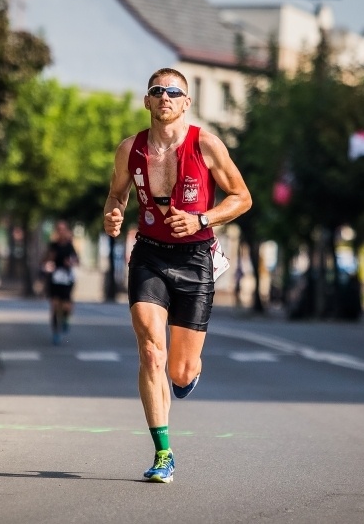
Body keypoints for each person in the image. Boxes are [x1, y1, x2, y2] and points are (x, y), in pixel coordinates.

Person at [103, 68, 252, 483]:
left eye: (174, 92)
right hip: (149, 254)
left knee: (180, 371)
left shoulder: (205, 144)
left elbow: (242, 197)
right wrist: (113, 211)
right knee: (151, 350)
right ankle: (163, 452)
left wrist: (203, 217)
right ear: (147, 101)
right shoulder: (129, 149)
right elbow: (117, 192)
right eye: (157, 91)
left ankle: (187, 374)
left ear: (186, 102)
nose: (165, 97)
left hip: (195, 258)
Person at [42, 220, 78, 345]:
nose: (61, 232)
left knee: (66, 306)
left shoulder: (70, 245)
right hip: (55, 277)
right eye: (59, 229)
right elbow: (45, 259)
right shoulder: (53, 245)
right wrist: (49, 260)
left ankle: (66, 319)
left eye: (63, 229)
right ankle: (56, 333)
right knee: (55, 306)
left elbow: (76, 260)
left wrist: (71, 263)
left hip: (67, 278)